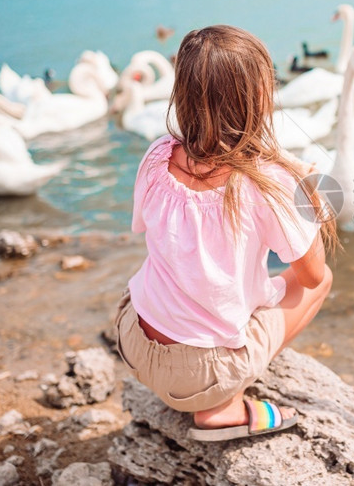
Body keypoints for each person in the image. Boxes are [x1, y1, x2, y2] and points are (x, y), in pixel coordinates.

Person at [114, 24, 337, 441]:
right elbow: (310, 275)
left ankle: (197, 378)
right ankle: (223, 407)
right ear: (258, 99)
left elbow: (146, 226)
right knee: (321, 280)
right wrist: (307, 196)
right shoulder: (268, 183)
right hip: (201, 375)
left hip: (134, 342)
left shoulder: (159, 153)